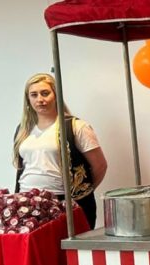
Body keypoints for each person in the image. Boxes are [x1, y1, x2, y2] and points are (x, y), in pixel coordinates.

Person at [12, 73, 108, 228]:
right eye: (34, 95)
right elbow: (21, 166)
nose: (40, 99)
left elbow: (100, 166)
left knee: (67, 243)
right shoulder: (23, 130)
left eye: (45, 93)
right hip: (26, 201)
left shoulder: (77, 127)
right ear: (28, 99)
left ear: (56, 95)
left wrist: (82, 194)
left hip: (63, 202)